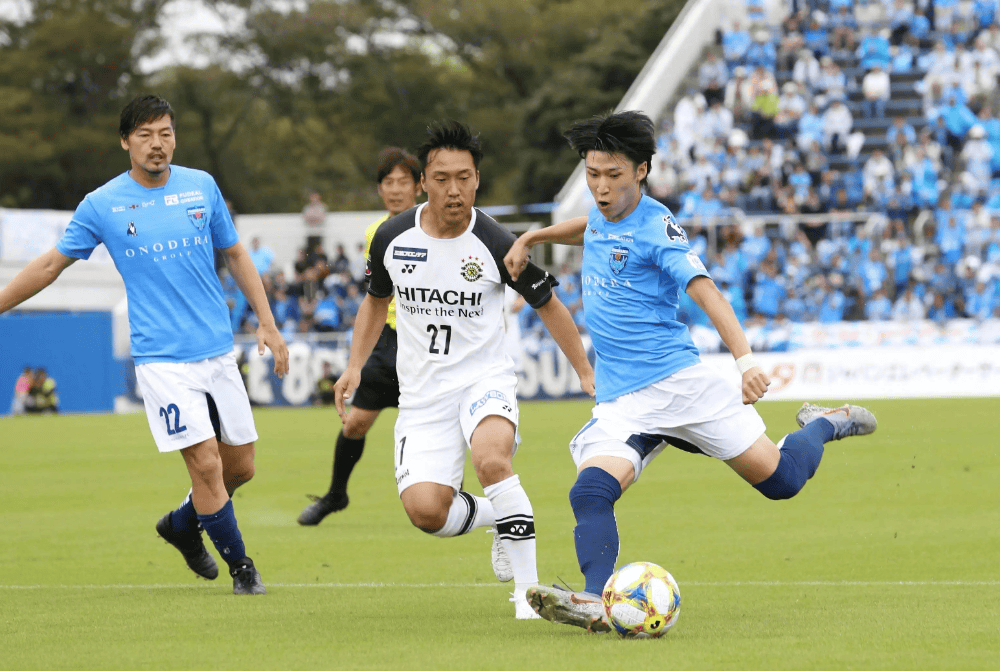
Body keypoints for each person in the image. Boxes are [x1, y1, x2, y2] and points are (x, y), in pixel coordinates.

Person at [504, 111, 877, 633]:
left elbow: (705, 291)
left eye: (613, 175)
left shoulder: (657, 228)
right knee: (589, 492)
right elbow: (585, 228)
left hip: (682, 388)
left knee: (783, 482)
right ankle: (591, 599)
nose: (601, 187)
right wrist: (533, 237)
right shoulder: (598, 214)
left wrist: (745, 362)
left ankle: (823, 422)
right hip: (622, 401)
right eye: (592, 174)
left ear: (642, 170)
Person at [0, 95, 289, 595]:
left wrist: (267, 322)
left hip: (218, 351)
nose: (158, 145)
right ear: (125, 142)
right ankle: (243, 569)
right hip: (161, 360)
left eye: (166, 134)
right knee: (205, 464)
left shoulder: (201, 187)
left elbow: (236, 253)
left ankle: (181, 525)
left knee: (240, 467)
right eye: (146, 136)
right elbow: (50, 266)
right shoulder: (102, 204)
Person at [332, 121, 594, 620]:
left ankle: (528, 596)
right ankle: (501, 516)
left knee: (492, 461)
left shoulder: (496, 241)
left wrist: (584, 370)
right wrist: (353, 367)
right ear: (423, 182)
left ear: (478, 181)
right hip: (423, 397)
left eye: (464, 178)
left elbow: (547, 303)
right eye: (442, 177)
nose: (454, 189)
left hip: (484, 381)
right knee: (426, 512)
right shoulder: (391, 237)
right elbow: (374, 302)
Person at [297, 147, 423, 526]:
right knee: (354, 424)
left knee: (436, 425)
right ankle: (336, 494)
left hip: (427, 343)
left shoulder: (436, 225)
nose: (397, 189)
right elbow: (374, 297)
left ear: (419, 186)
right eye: (389, 182)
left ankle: (452, 495)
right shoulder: (376, 233)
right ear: (379, 189)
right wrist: (356, 360)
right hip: (387, 341)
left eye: (404, 181)